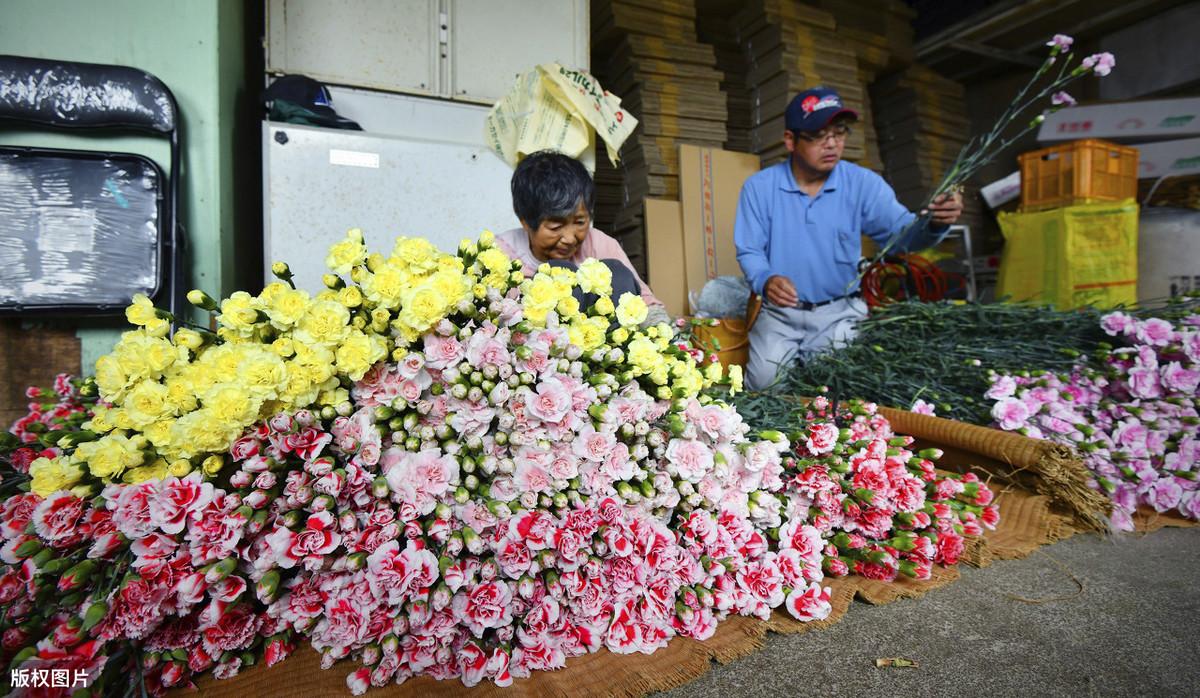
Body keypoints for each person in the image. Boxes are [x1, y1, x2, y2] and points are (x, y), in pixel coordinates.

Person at [734, 86, 963, 391]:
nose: (831, 144)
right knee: (764, 385)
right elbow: (749, 249)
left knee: (841, 389)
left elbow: (902, 236)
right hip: (780, 315)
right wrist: (765, 279)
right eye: (817, 135)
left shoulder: (862, 184)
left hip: (838, 314)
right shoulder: (760, 188)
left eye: (839, 132)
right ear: (790, 140)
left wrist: (934, 223)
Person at [496, 150, 669, 324]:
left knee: (616, 271)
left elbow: (646, 302)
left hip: (601, 344)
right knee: (558, 271)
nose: (570, 238)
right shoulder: (501, 254)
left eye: (580, 222)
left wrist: (667, 337)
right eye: (556, 226)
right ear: (525, 222)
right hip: (535, 343)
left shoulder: (599, 243)